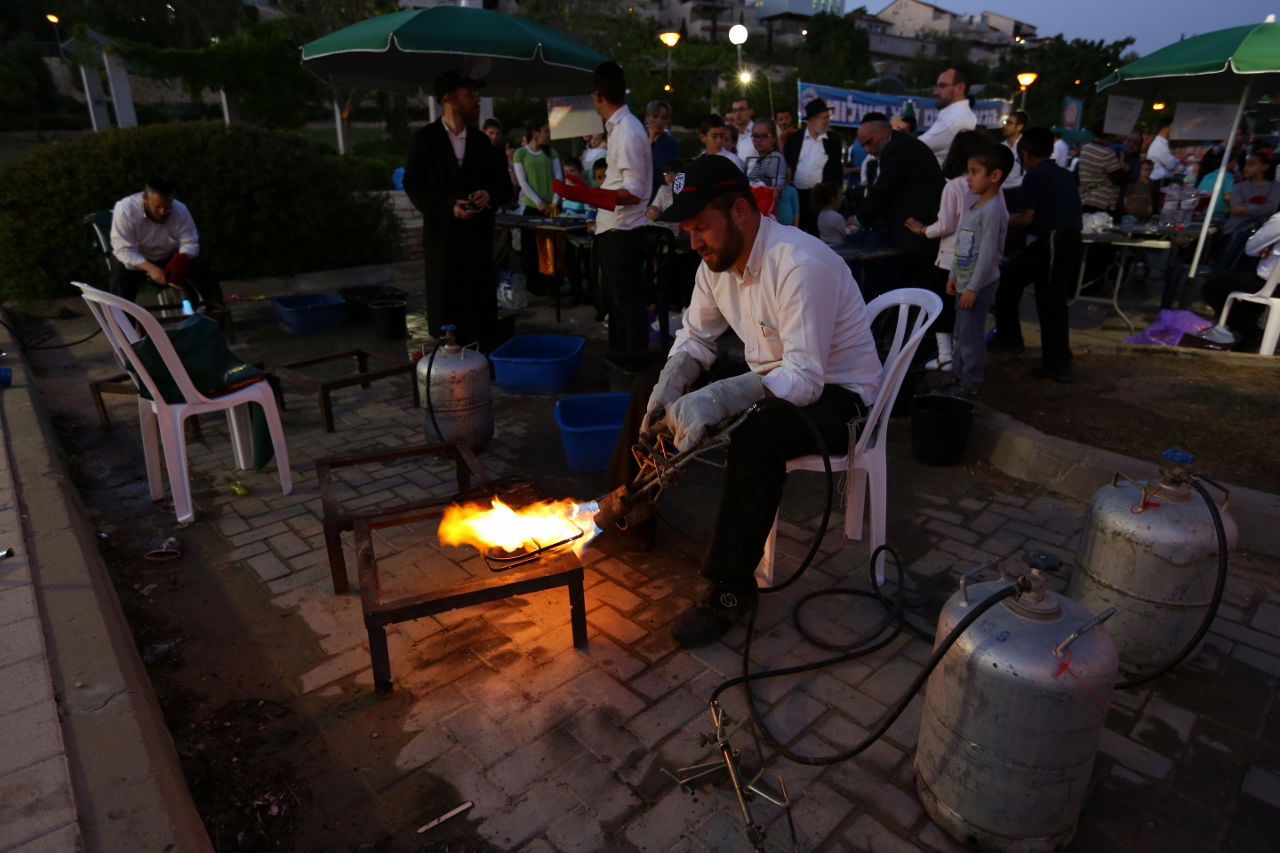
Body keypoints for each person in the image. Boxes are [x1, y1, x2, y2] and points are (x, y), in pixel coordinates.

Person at [644, 155, 882, 648]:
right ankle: (631, 509)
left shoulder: (799, 263)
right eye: (687, 230)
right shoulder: (715, 264)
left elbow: (804, 380)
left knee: (754, 439)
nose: (694, 243)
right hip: (782, 377)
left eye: (701, 228)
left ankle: (732, 590)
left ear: (739, 212)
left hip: (844, 397)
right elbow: (696, 339)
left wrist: (717, 398)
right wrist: (668, 389)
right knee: (646, 396)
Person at [403, 70, 512, 349]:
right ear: (448, 98)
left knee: (480, 314)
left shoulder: (480, 142)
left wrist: (487, 195)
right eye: (469, 94)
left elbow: (503, 187)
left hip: (477, 244)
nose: (476, 100)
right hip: (443, 243)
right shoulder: (425, 140)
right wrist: (448, 207)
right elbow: (415, 186)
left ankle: (483, 359)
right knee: (447, 314)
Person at [554, 61, 653, 354]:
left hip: (625, 232)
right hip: (614, 229)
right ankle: (621, 360)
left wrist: (586, 195)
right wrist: (586, 188)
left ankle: (632, 367)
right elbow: (619, 183)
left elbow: (633, 192)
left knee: (627, 306)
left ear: (597, 95)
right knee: (615, 305)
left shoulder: (628, 130)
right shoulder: (620, 128)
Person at [990, 127, 1083, 383]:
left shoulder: (1035, 176)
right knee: (1011, 281)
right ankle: (1010, 338)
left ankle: (1056, 363)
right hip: (1067, 241)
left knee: (1050, 303)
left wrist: (999, 219)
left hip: (1052, 242)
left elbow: (1026, 218)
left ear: (1026, 154)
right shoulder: (1065, 175)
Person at [904, 130, 987, 372]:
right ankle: (961, 359)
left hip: (950, 257)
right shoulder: (988, 188)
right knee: (966, 314)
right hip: (975, 258)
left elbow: (946, 225)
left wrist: (922, 230)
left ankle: (946, 356)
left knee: (943, 308)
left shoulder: (954, 187)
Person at [946, 144, 1012, 397]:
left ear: (994, 176)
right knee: (961, 333)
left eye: (974, 172)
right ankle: (958, 376)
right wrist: (953, 274)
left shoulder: (993, 211)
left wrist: (973, 287)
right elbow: (962, 244)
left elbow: (987, 254)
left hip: (978, 285)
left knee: (970, 336)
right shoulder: (976, 205)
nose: (968, 178)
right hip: (965, 282)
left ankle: (969, 382)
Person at [853, 112, 945, 292]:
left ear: (885, 132)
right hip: (915, 227)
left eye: (870, 142)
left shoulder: (897, 149)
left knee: (914, 287)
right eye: (863, 145)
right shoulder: (899, 146)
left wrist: (859, 218)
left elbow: (883, 191)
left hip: (917, 231)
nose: (868, 150)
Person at [108, 178, 224, 312]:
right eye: (158, 207)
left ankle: (217, 315)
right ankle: (123, 325)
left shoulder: (180, 210)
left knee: (203, 266)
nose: (164, 211)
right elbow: (123, 250)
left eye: (168, 207)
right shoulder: (125, 210)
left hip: (169, 257)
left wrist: (180, 262)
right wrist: (150, 268)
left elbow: (190, 242)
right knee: (119, 275)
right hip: (137, 259)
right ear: (145, 198)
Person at [1202, 209, 1280, 350]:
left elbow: (1250, 248)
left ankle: (1252, 333)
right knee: (1249, 298)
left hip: (1270, 284)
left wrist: (1268, 245)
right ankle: (1248, 340)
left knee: (1212, 287)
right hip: (1271, 285)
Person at [784, 98, 843, 234]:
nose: (827, 120)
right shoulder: (794, 139)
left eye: (828, 117)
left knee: (817, 234)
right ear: (812, 120)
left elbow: (837, 168)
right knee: (796, 232)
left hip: (820, 197)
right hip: (797, 195)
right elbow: (787, 164)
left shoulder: (833, 140)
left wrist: (836, 194)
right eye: (824, 117)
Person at [918, 67, 977, 167]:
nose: (935, 92)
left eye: (942, 86)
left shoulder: (954, 120)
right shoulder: (959, 115)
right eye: (936, 86)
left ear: (960, 87)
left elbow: (911, 147)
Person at [513, 116, 562, 215]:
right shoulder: (520, 153)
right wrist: (538, 202)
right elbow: (522, 181)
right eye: (546, 131)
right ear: (535, 133)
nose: (549, 135)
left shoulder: (552, 152)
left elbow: (559, 178)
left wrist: (555, 202)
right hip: (532, 206)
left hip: (553, 206)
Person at [1078, 123, 1128, 214]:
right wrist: (1124, 168)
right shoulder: (1107, 153)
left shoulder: (1085, 148)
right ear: (1109, 135)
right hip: (1101, 199)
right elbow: (1118, 178)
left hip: (1085, 196)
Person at [745, 118, 787, 216]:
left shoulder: (774, 158)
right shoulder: (757, 158)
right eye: (755, 136)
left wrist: (777, 189)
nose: (759, 140)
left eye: (764, 136)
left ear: (774, 138)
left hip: (767, 215)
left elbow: (777, 187)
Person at [646, 99, 680, 195]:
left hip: (659, 196)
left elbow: (672, 171)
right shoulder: (640, 141)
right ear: (647, 117)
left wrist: (665, 175)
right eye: (655, 116)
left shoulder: (670, 145)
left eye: (663, 117)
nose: (659, 121)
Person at [1001, 110, 1028, 201]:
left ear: (1019, 127)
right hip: (1001, 191)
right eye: (1004, 122)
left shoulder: (1027, 146)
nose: (1004, 126)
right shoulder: (1001, 147)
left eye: (1009, 123)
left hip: (1019, 191)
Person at [1147, 117, 1181, 183]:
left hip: (1160, 181)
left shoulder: (1161, 143)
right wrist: (1177, 160)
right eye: (1177, 127)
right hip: (1158, 182)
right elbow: (1171, 165)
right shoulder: (1159, 144)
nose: (1177, 130)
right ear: (1170, 126)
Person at [730, 96, 756, 163]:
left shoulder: (758, 133)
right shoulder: (730, 135)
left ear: (751, 112)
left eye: (741, 110)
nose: (737, 114)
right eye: (735, 111)